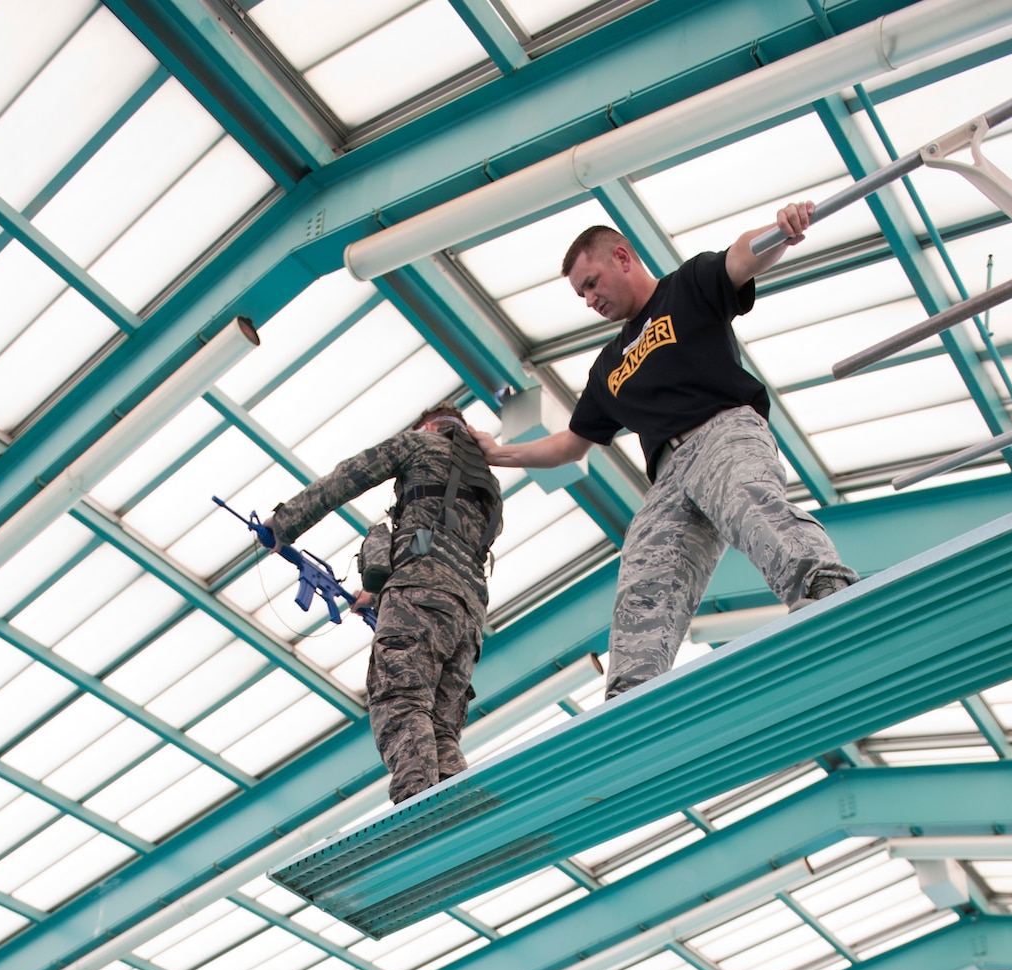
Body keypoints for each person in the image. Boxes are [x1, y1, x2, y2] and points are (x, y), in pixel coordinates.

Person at [477, 205, 859, 700]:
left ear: (622, 257)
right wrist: (498, 454)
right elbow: (571, 445)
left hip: (722, 431)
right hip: (669, 477)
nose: (590, 299)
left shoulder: (688, 285)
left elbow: (741, 257)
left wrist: (780, 231)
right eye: (581, 294)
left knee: (747, 502)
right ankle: (632, 693)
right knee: (644, 570)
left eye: (592, 283)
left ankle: (825, 587)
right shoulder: (607, 366)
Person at [266, 404, 502, 803]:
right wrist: (375, 593)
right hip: (468, 614)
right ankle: (460, 807)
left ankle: (419, 810)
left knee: (402, 703)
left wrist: (285, 522)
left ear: (429, 426)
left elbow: (349, 476)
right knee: (440, 727)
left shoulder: (422, 444)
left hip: (418, 594)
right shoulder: (488, 489)